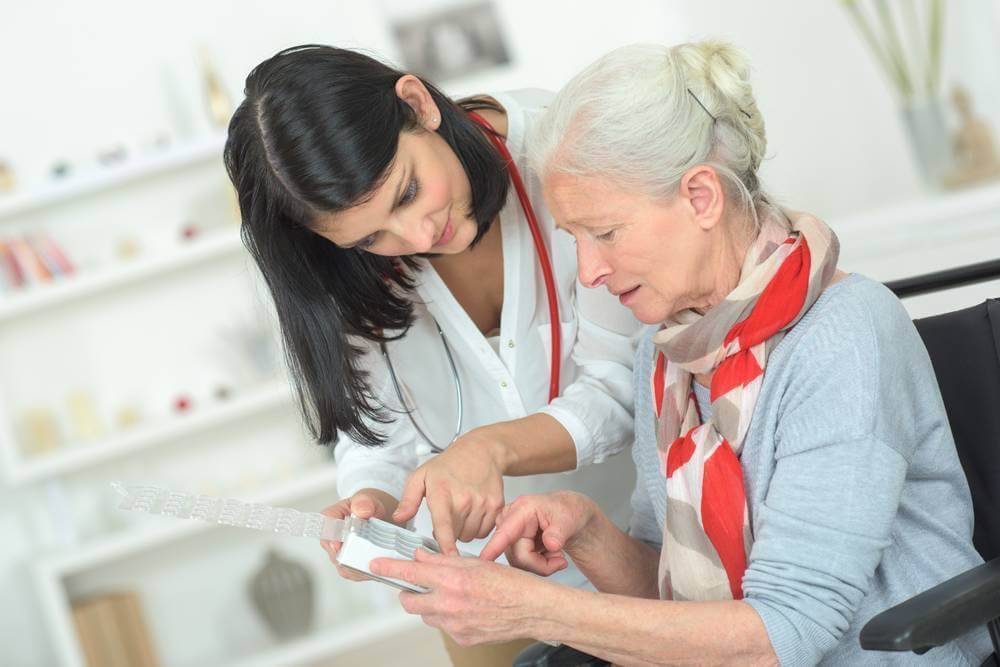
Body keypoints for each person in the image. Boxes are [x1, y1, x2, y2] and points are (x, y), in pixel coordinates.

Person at [369, 41, 995, 665]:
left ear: (701, 197)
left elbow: (786, 635)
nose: (588, 272)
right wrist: (587, 530)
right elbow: (665, 599)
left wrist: (536, 610)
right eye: (574, 239)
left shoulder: (845, 335)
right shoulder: (668, 355)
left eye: (605, 233)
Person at [223, 45, 641, 666]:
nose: (418, 236)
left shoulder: (567, 153)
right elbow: (378, 434)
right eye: (371, 236)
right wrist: (371, 499)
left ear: (417, 104)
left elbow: (622, 385)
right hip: (480, 594)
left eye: (408, 191)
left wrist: (486, 449)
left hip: (635, 553)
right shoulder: (346, 263)